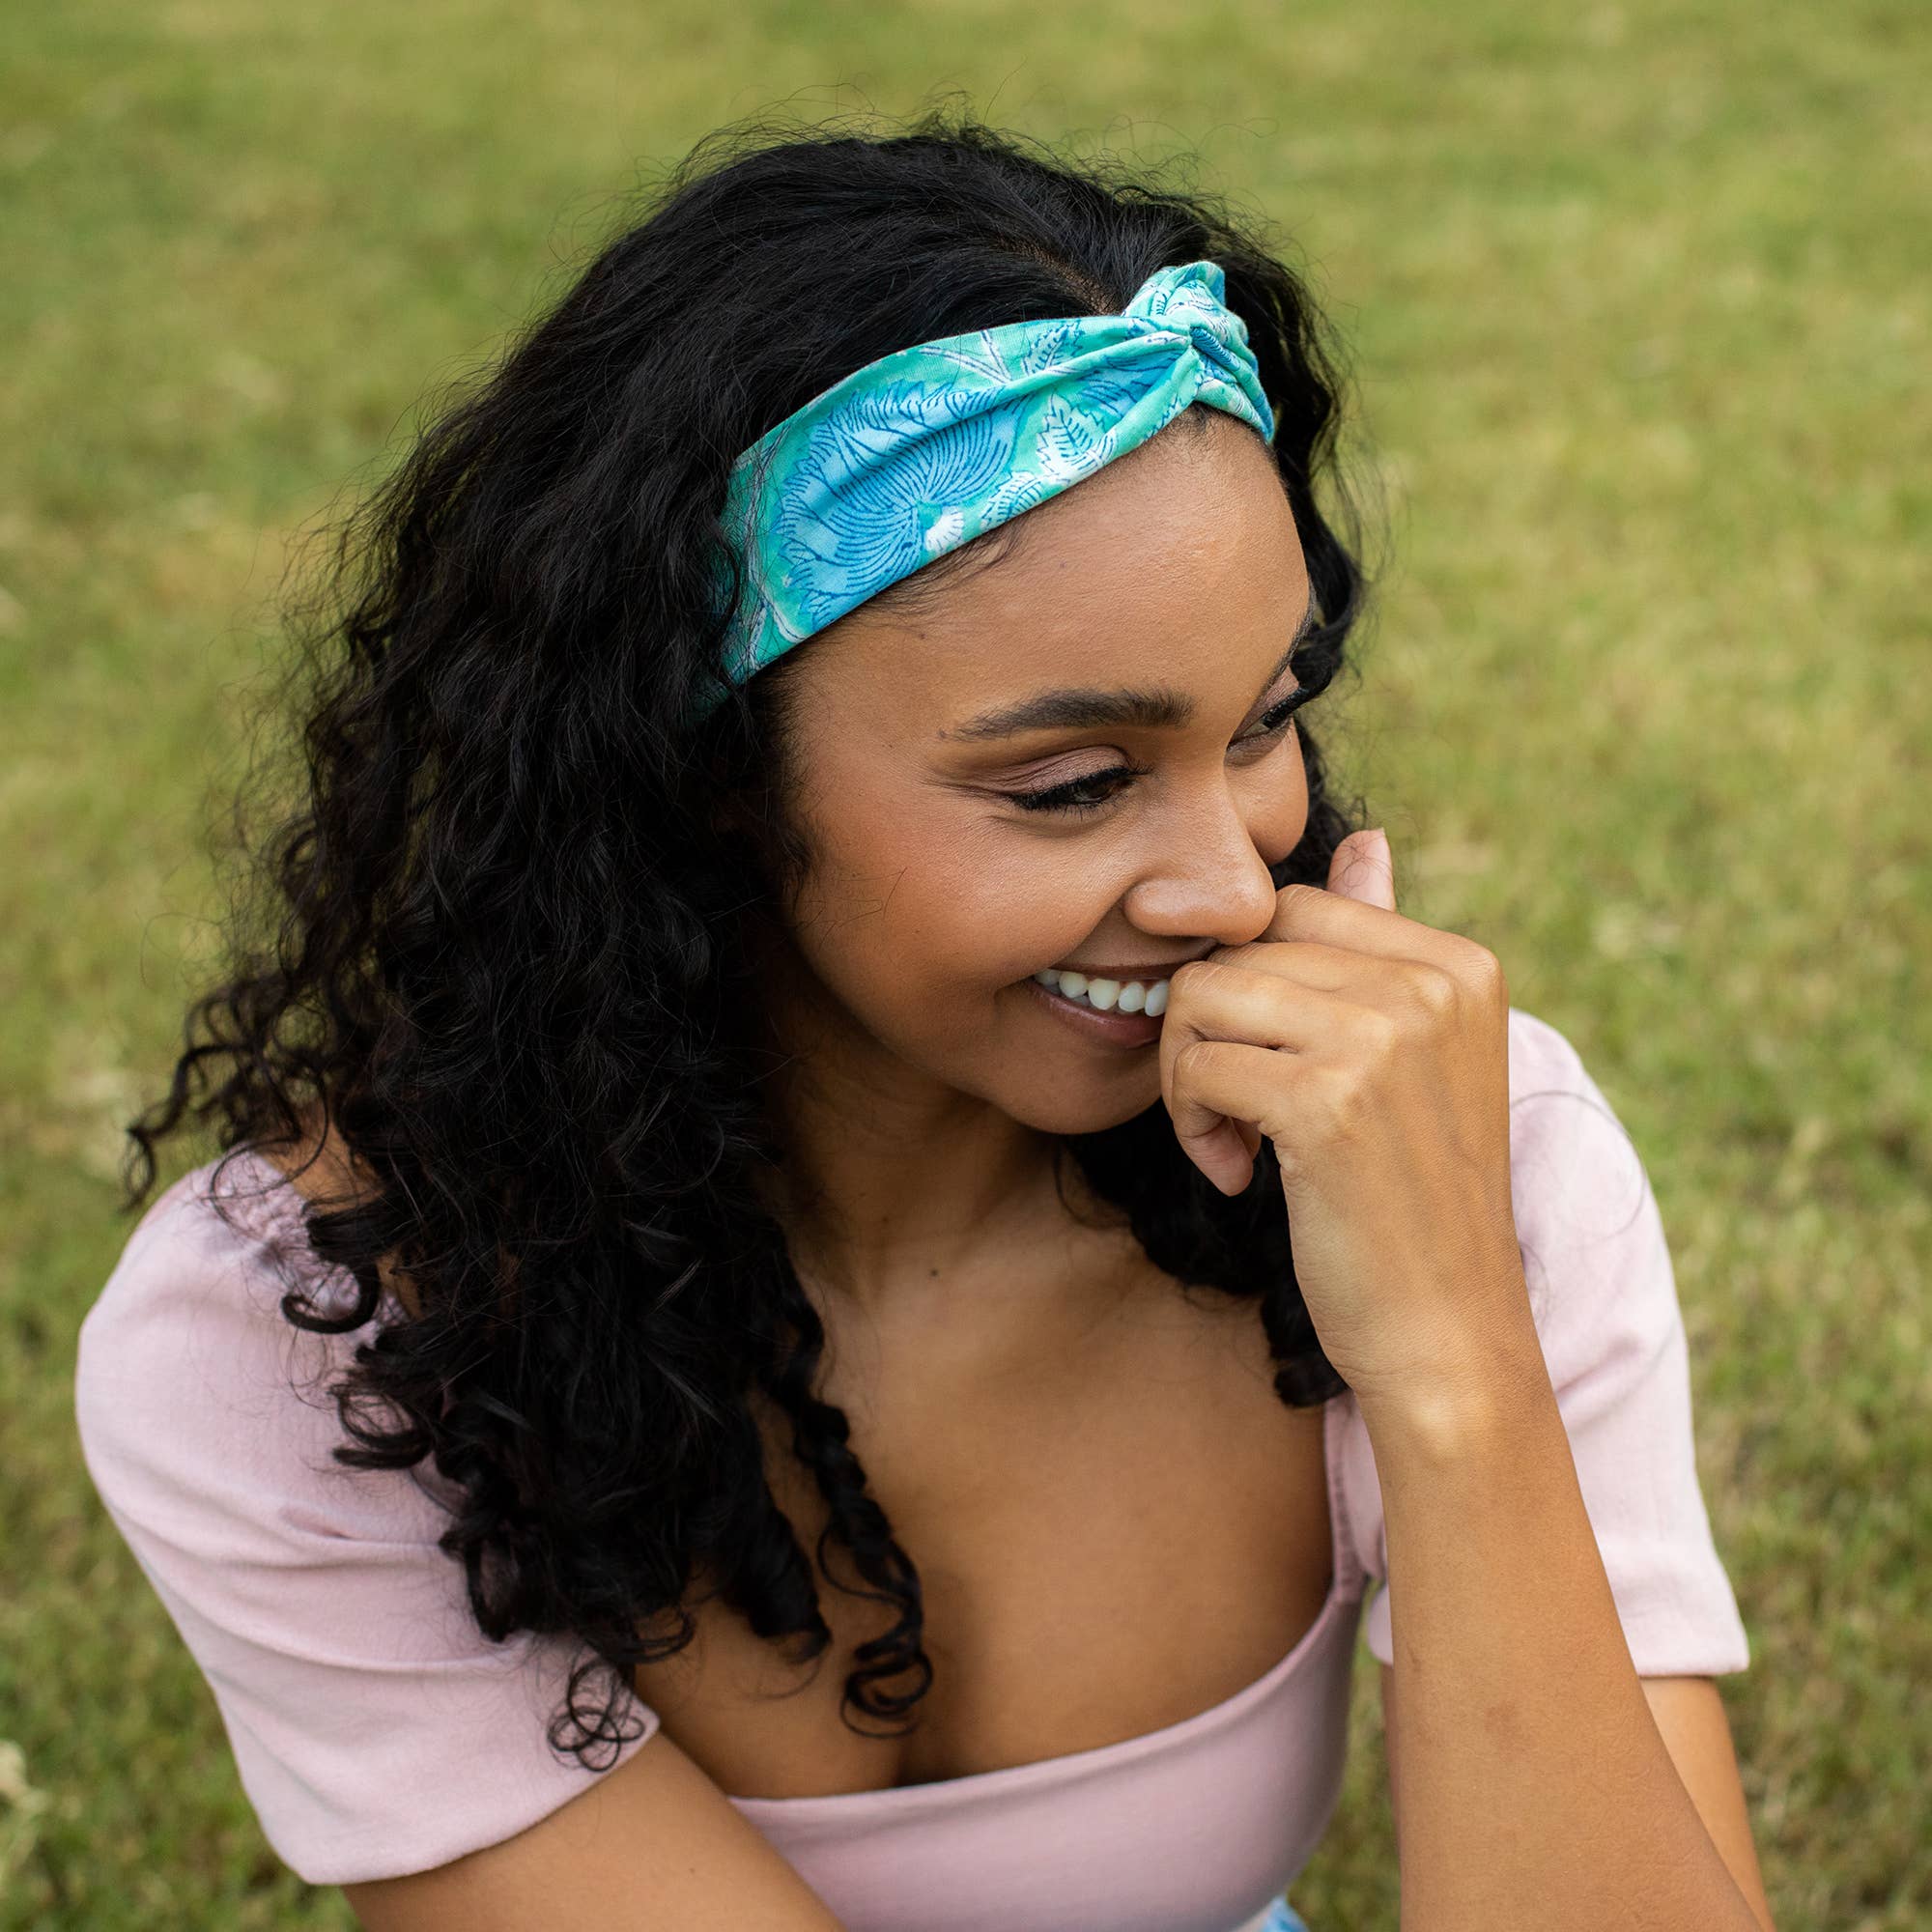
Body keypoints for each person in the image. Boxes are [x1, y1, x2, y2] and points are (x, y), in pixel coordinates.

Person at [72, 110, 1777, 1931]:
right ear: (704, 774)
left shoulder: (1436, 1153)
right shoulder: (312, 1342)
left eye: (1263, 721)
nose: (1229, 880)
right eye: (1069, 783)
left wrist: (1454, 1365)